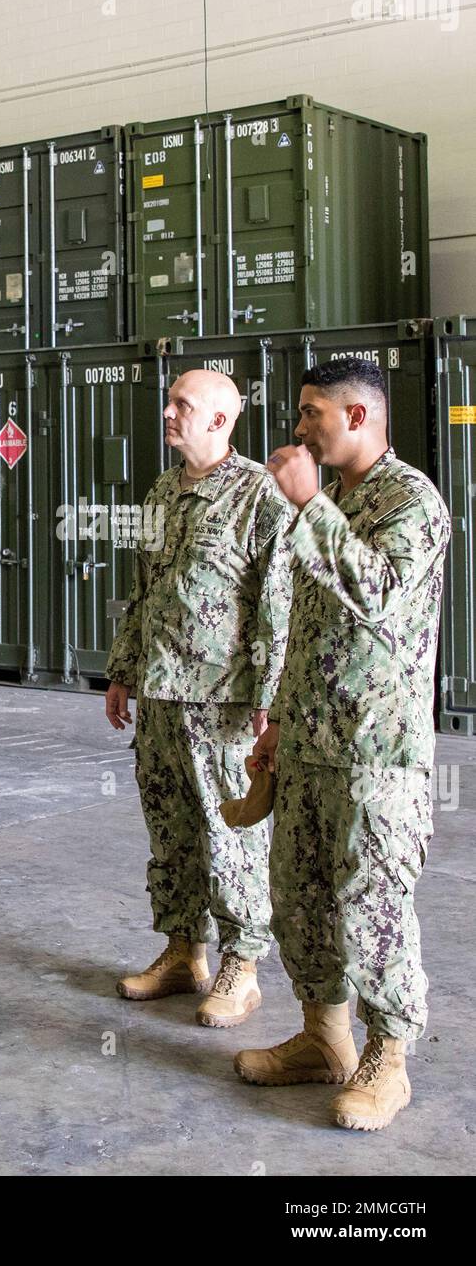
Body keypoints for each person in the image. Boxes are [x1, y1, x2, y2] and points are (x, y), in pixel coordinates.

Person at [234, 358, 451, 1131]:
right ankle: (323, 1037)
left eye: (311, 413)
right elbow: (311, 633)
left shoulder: (410, 501)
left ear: (357, 417)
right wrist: (281, 724)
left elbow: (378, 597)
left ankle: (387, 1059)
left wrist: (306, 509)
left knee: (374, 909)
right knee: (300, 902)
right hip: (309, 745)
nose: (298, 428)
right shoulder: (334, 501)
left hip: (374, 756)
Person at [106, 369, 292, 1026]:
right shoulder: (161, 491)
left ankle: (241, 964)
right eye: (169, 401)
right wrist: (122, 668)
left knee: (227, 833)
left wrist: (271, 694)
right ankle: (184, 951)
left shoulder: (258, 496)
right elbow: (144, 588)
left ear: (218, 421)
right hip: (159, 691)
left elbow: (277, 602)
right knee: (170, 827)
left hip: (223, 703)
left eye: (181, 404)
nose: (166, 412)